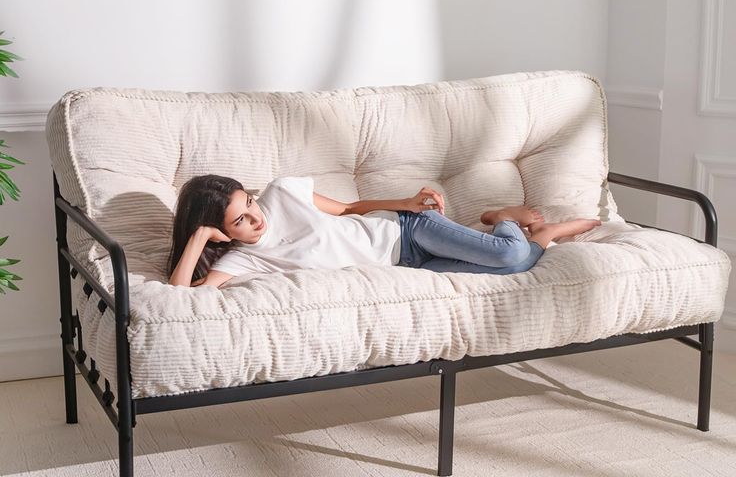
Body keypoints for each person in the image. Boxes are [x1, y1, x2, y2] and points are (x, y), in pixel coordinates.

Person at [166, 174, 601, 288]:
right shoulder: (245, 260)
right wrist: (199, 239)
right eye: (239, 221)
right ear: (219, 232)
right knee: (517, 265)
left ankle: (502, 217)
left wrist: (408, 204)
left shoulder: (284, 192)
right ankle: (547, 235)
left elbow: (352, 208)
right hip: (407, 267)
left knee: (507, 255)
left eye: (249, 203)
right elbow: (181, 293)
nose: (256, 218)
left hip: (409, 231)